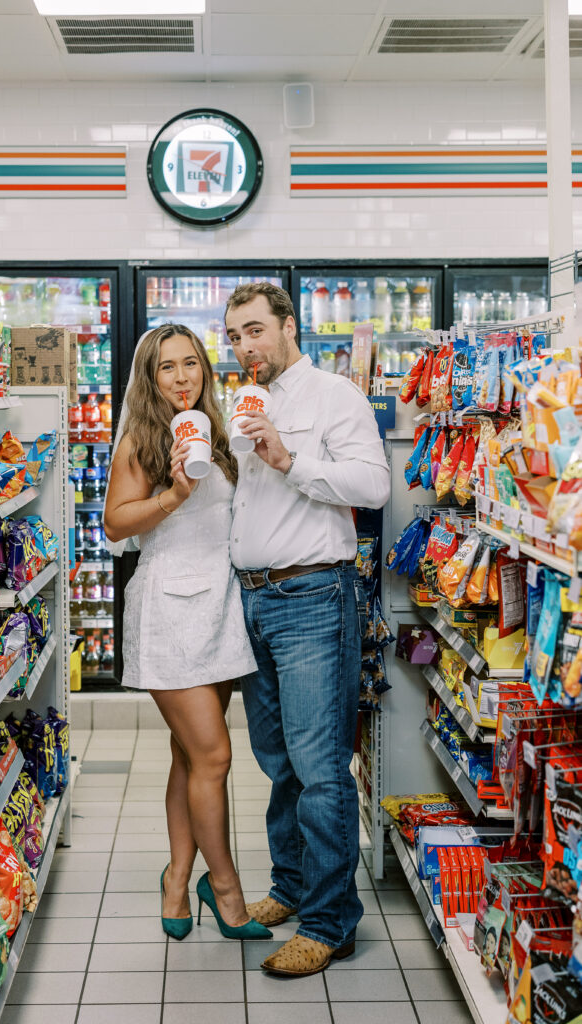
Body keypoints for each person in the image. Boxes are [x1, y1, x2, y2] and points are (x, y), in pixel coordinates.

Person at [224, 282, 391, 976]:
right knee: (277, 762)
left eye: (256, 330)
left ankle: (329, 923)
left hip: (313, 597)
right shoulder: (239, 405)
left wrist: (290, 459)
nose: (245, 346)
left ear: (289, 326)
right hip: (252, 600)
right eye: (234, 335)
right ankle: (290, 889)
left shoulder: (334, 396)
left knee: (320, 768)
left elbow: (372, 486)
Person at [103, 323, 271, 943]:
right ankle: (225, 890)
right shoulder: (140, 441)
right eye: (167, 368)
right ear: (150, 378)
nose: (182, 377)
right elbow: (115, 525)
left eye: (191, 364)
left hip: (220, 608)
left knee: (188, 756)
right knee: (215, 755)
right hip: (170, 610)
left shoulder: (217, 434)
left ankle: (178, 877)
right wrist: (174, 493)